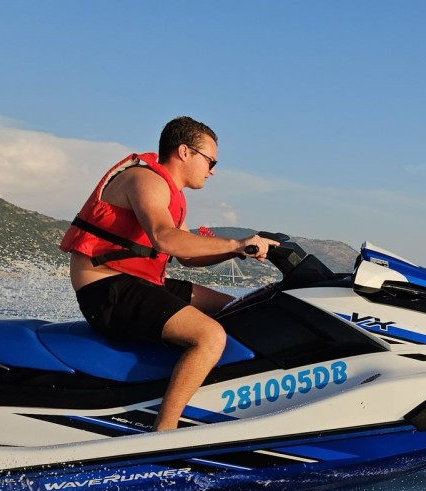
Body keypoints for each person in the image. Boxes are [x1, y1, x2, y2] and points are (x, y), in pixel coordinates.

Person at [60, 116, 280, 432]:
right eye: (211, 160)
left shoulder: (170, 193)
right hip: (108, 289)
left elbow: (187, 255)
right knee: (209, 335)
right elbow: (163, 237)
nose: (213, 170)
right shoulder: (144, 180)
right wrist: (236, 241)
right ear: (184, 152)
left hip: (139, 283)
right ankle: (165, 430)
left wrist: (236, 251)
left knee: (239, 307)